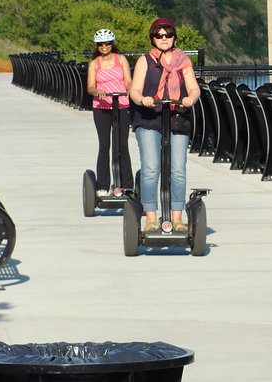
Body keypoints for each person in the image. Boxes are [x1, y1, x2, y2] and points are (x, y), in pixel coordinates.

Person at [129, 18, 200, 232]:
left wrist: (190, 99)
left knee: (177, 169)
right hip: (149, 118)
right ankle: (151, 218)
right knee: (151, 169)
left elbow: (194, 89)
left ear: (174, 37)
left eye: (168, 35)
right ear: (152, 38)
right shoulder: (145, 60)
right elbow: (134, 91)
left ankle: (177, 218)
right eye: (159, 35)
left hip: (177, 118)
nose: (164, 39)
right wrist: (143, 99)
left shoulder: (183, 61)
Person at [86, 28, 133, 196]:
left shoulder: (121, 59)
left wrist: (129, 88)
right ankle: (102, 185)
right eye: (101, 44)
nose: (104, 46)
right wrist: (97, 90)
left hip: (120, 105)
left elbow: (128, 80)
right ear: (97, 46)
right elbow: (90, 86)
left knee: (122, 144)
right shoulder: (94, 63)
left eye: (107, 43)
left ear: (112, 44)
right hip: (102, 107)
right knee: (104, 144)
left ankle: (127, 184)